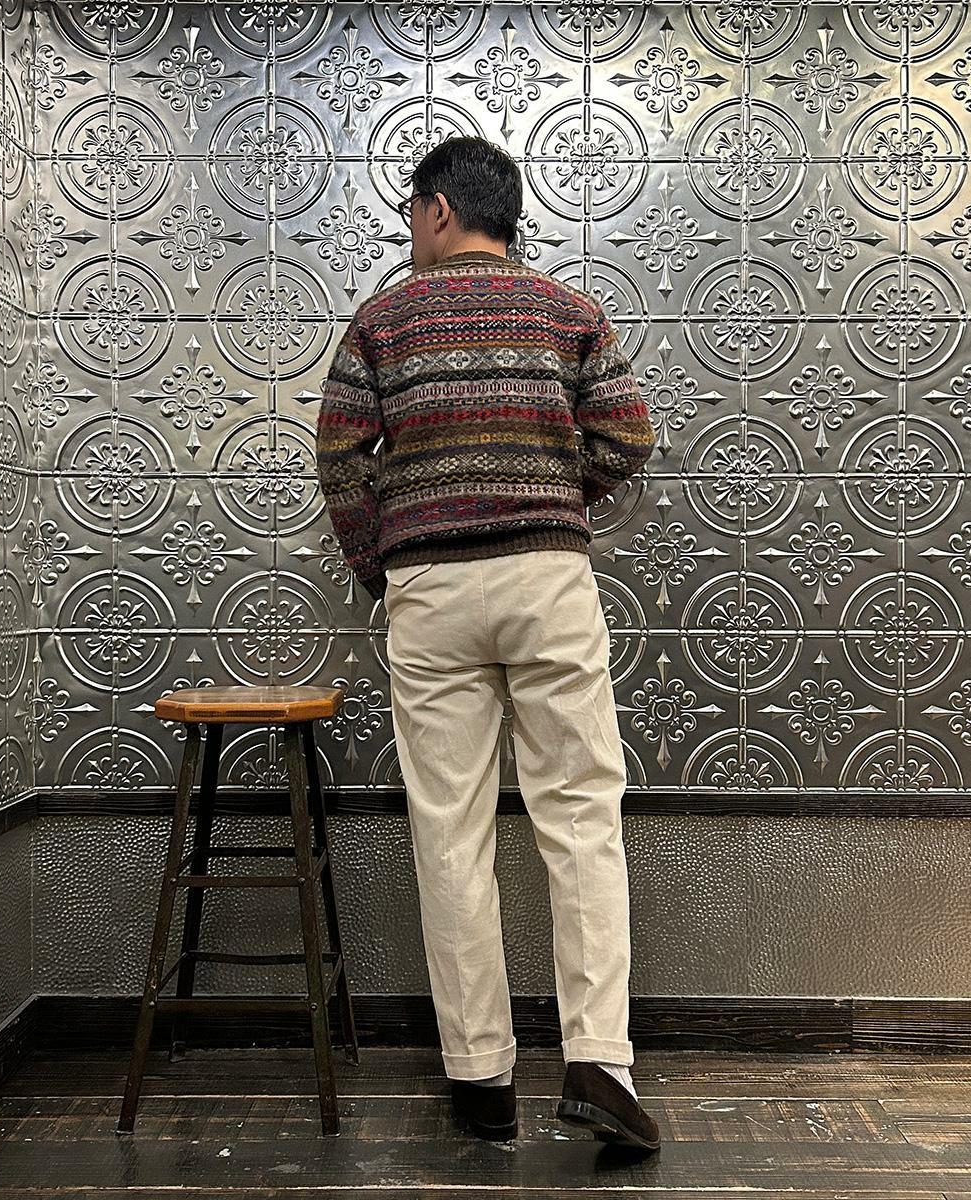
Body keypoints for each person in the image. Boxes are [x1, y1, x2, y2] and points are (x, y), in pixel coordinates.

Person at [316, 135, 659, 1153]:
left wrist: (384, 563)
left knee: (451, 831)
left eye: (410, 215)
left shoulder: (382, 320)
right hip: (547, 578)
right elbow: (630, 434)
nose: (410, 233)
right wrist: (551, 498)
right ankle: (598, 1061)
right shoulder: (569, 311)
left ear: (437, 211)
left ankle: (480, 1079)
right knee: (581, 818)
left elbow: (340, 458)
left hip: (430, 588)